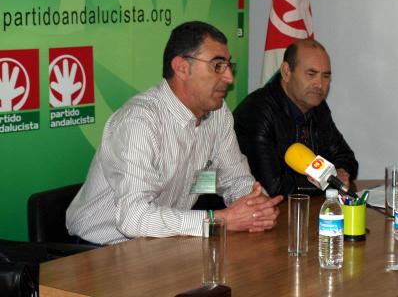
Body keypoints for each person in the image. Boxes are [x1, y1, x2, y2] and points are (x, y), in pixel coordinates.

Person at [66, 21, 283, 245]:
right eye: (217, 66)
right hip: (97, 252)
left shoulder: (218, 115)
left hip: (162, 243)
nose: (229, 78)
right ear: (181, 68)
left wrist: (258, 208)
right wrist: (218, 220)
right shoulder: (139, 121)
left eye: (229, 66)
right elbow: (133, 219)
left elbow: (235, 179)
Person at [233, 39, 358, 198]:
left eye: (325, 76)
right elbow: (271, 186)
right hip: (253, 215)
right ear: (286, 72)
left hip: (304, 209)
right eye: (311, 74)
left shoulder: (318, 108)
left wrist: (340, 173)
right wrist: (328, 180)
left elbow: (347, 158)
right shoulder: (257, 111)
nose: (319, 84)